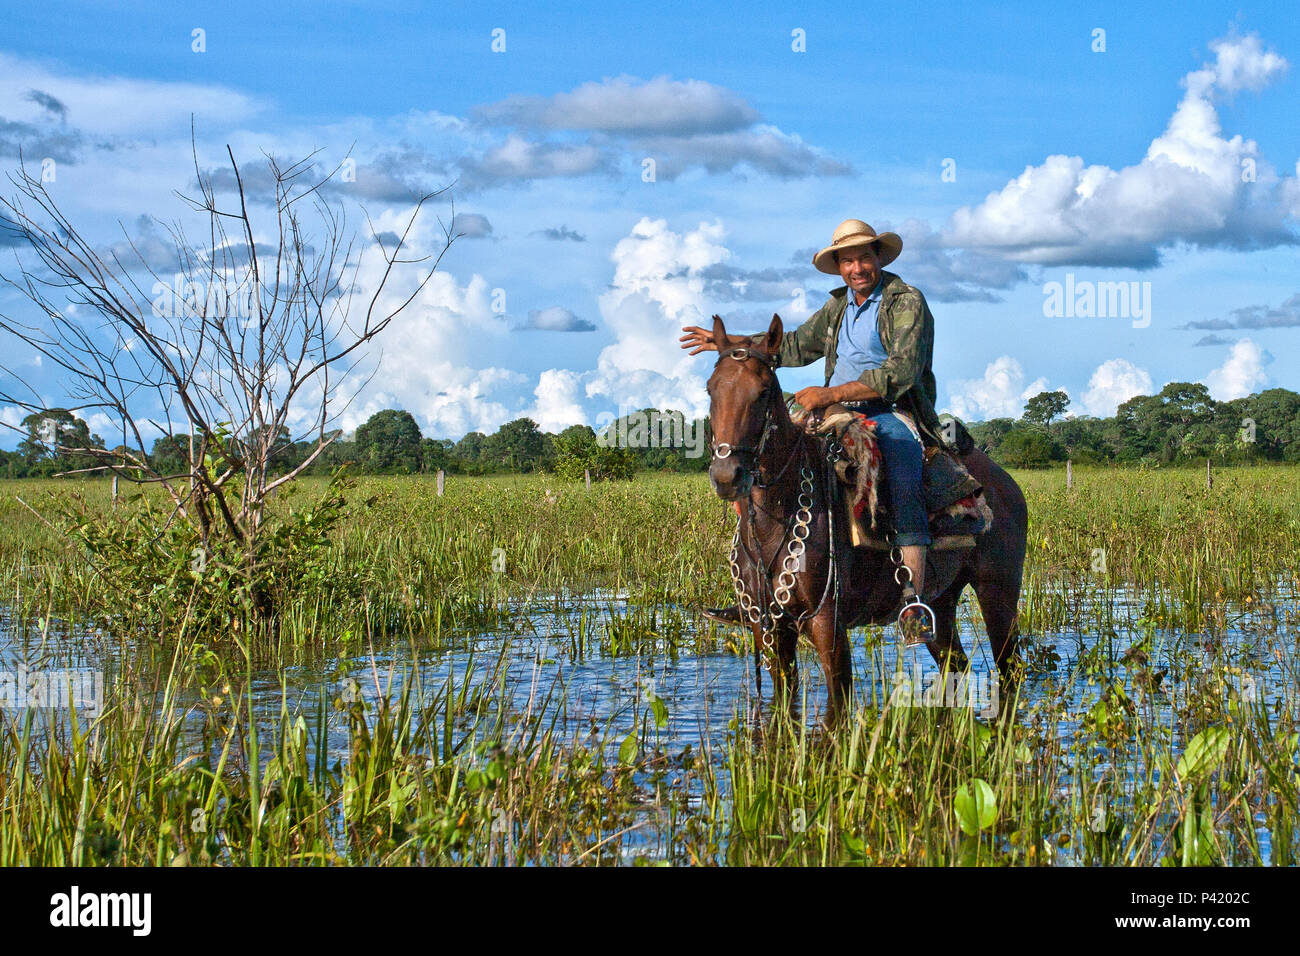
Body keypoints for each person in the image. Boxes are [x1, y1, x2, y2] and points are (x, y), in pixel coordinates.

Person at [680, 218, 945, 628]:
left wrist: (831, 393)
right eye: (847, 261)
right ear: (839, 266)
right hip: (833, 412)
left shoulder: (905, 301)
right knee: (766, 455)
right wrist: (725, 341)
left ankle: (913, 600)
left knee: (903, 464)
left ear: (878, 257)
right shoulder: (837, 307)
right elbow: (790, 347)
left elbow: (903, 370)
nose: (856, 268)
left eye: (863, 258)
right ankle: (759, 589)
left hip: (890, 411)